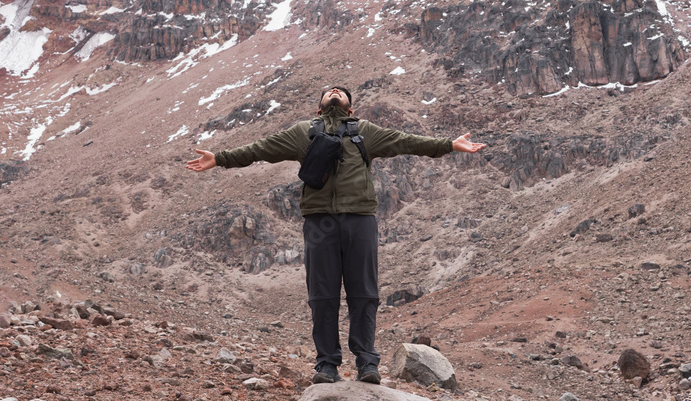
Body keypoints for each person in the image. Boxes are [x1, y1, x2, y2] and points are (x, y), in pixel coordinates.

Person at [186, 85, 486, 384]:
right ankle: (327, 365)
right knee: (322, 296)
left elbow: (407, 141)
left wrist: (449, 144)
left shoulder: (366, 131)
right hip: (319, 223)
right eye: (329, 91)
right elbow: (259, 149)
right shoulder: (302, 131)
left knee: (364, 294)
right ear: (319, 107)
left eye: (341, 92)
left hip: (360, 219)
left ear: (350, 108)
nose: (334, 92)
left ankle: (367, 363)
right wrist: (221, 157)